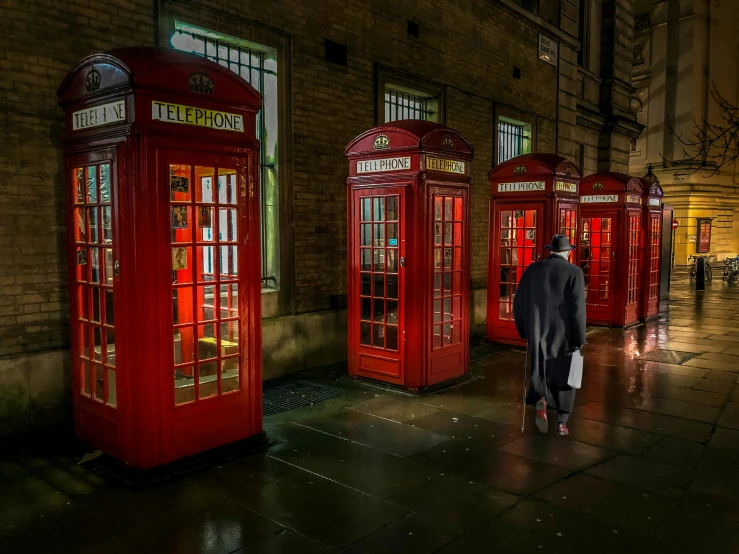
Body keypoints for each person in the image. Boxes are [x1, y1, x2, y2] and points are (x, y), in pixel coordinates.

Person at [513, 234, 587, 436]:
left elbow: (518, 302)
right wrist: (580, 338)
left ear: (550, 250)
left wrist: (523, 330)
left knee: (540, 368)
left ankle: (541, 400)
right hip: (565, 334)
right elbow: (578, 309)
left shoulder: (533, 269)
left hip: (537, 331)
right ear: (568, 252)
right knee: (566, 375)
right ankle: (562, 422)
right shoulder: (575, 272)